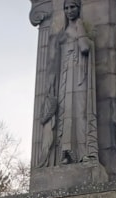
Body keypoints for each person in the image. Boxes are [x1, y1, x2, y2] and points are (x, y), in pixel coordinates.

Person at [38, 0, 99, 167]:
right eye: (66, 8)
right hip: (65, 76)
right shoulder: (62, 31)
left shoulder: (80, 25)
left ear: (78, 8)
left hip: (79, 76)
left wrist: (80, 30)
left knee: (80, 113)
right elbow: (52, 60)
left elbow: (85, 48)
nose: (69, 11)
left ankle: (85, 152)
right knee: (66, 114)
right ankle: (67, 153)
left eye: (73, 7)